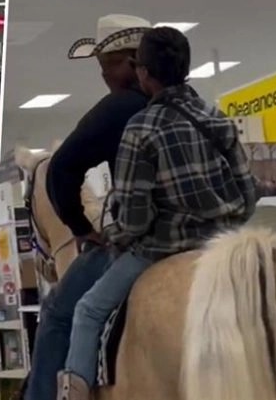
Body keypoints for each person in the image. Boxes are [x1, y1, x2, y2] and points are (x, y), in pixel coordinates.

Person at [56, 27, 258, 400]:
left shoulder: (141, 128)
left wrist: (114, 235)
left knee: (87, 310)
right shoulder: (218, 119)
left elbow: (136, 219)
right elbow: (250, 193)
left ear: (144, 73)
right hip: (223, 245)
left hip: (161, 249)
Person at [24, 14, 153, 400]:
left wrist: (81, 228)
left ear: (131, 63)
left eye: (107, 66)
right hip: (206, 235)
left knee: (59, 311)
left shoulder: (119, 107)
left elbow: (61, 169)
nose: (104, 77)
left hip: (140, 240)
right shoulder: (188, 103)